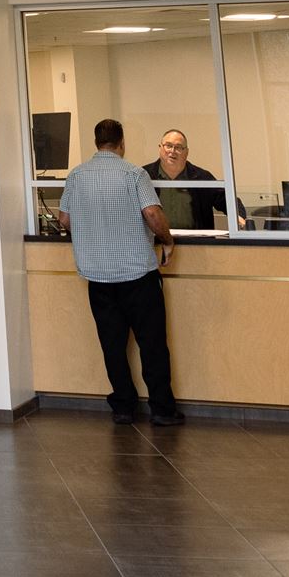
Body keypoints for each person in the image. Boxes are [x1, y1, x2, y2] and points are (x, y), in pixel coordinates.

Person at [57, 116, 184, 426]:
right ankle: (162, 410)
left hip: (98, 277)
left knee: (112, 346)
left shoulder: (76, 176)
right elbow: (152, 213)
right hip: (137, 275)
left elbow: (64, 220)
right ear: (121, 143)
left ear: (96, 142)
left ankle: (123, 408)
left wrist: (91, 231)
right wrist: (167, 241)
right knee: (152, 345)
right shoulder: (134, 174)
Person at [145, 129, 228, 232]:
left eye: (178, 147)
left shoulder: (202, 177)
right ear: (160, 148)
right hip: (153, 240)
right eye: (168, 146)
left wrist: (238, 216)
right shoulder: (144, 176)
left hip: (194, 241)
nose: (172, 151)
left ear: (186, 152)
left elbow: (226, 199)